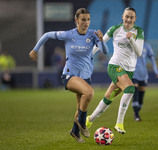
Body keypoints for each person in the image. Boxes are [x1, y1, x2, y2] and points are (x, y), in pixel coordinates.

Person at [29, 8, 108, 143]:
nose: (86, 22)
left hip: (85, 76)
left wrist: (102, 39)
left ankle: (75, 132)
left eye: (88, 19)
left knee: (80, 106)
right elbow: (47, 35)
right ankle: (83, 124)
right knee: (89, 93)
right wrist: (35, 50)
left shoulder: (93, 35)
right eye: (83, 19)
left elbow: (105, 51)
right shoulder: (68, 34)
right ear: (76, 20)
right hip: (69, 75)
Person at [86, 7, 144, 134]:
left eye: (131, 17)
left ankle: (89, 120)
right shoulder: (115, 29)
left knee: (108, 98)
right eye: (126, 16)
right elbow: (100, 43)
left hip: (128, 71)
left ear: (135, 19)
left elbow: (139, 52)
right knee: (130, 89)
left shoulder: (138, 32)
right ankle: (119, 123)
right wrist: (88, 56)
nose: (128, 19)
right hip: (114, 66)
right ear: (122, 17)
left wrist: (131, 40)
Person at [132, 42, 158, 121]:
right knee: (135, 94)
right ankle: (136, 115)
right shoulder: (131, 44)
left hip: (143, 75)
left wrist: (156, 71)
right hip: (133, 74)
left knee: (141, 98)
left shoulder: (147, 46)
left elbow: (152, 58)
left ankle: (136, 112)